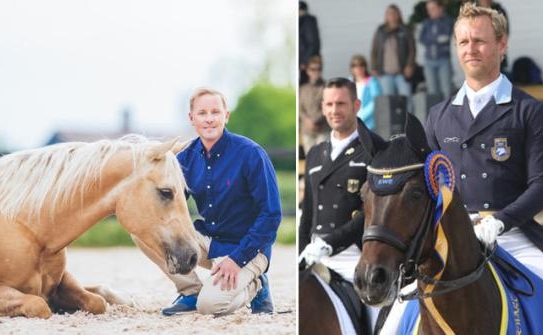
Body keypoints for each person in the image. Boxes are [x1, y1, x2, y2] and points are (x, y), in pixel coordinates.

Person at [424, 4, 543, 334]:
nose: (470, 49)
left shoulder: (529, 110)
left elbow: (542, 186)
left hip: (512, 235)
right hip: (452, 242)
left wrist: (500, 221)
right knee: (392, 322)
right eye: (463, 42)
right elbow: (427, 189)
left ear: (502, 44)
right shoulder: (438, 115)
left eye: (480, 41)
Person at [136, 87, 281, 316]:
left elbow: (271, 215)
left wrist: (237, 259)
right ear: (191, 118)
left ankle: (256, 285)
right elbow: (165, 205)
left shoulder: (251, 154)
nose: (210, 119)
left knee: (210, 306)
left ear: (226, 115)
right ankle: (190, 290)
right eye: (202, 113)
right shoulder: (183, 159)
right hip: (210, 241)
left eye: (215, 112)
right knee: (145, 229)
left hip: (250, 249)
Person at [299, 77, 384, 334]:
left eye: (341, 104)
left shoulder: (374, 150)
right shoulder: (315, 153)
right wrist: (302, 252)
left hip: (355, 256)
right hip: (314, 252)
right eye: (329, 104)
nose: (334, 111)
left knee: (380, 322)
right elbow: (308, 215)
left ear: (356, 105)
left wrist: (330, 243)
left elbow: (372, 211)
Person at [370, 4, 416, 112]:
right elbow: (374, 50)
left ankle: (409, 124)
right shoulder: (380, 31)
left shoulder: (405, 30)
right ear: (386, 16)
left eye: (394, 13)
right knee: (389, 101)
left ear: (399, 15)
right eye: (389, 13)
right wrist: (373, 67)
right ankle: (391, 125)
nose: (392, 16)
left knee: (407, 99)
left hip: (402, 72)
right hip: (385, 73)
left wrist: (409, 65)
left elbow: (412, 50)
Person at [419, 0, 453, 100]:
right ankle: (436, 114)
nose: (430, 12)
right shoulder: (426, 23)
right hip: (429, 60)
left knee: (446, 89)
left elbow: (447, 36)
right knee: (432, 91)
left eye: (433, 9)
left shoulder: (448, 21)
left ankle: (448, 114)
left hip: (444, 59)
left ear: (440, 8)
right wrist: (437, 39)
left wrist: (431, 38)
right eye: (428, 10)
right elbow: (422, 38)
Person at [299, 55, 330, 154]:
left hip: (323, 129)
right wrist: (307, 120)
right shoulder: (303, 89)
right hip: (307, 131)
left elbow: (328, 105)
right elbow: (300, 108)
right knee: (310, 160)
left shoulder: (327, 87)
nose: (316, 72)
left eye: (319, 69)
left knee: (322, 159)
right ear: (307, 71)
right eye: (313, 69)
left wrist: (315, 121)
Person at [349, 54, 382, 130]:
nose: (358, 68)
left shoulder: (372, 82)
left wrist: (361, 115)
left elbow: (376, 101)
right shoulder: (348, 82)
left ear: (365, 67)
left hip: (368, 124)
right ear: (351, 68)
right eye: (355, 66)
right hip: (351, 124)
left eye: (361, 65)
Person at [299, 1, 321, 86]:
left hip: (307, 62)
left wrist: (304, 61)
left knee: (308, 85)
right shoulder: (303, 21)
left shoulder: (307, 21)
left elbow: (313, 43)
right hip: (305, 61)